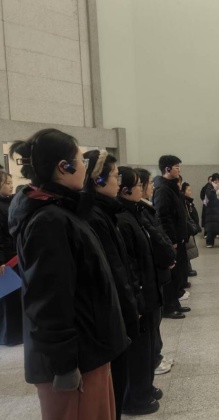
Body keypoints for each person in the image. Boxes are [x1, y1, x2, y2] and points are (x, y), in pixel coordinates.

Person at [8, 128, 129, 419]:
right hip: (75, 360)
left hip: (89, 349)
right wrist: (63, 365)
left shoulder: (62, 211)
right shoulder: (49, 221)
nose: (85, 169)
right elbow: (48, 301)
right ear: (65, 166)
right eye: (81, 161)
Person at [83, 150, 140, 420]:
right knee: (114, 383)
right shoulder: (95, 216)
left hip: (117, 308)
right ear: (98, 180)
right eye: (116, 176)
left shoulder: (105, 212)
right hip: (110, 313)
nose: (119, 181)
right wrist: (130, 309)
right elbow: (114, 271)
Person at [116, 167, 162, 416]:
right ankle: (136, 396)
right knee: (139, 350)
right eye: (142, 184)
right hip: (139, 293)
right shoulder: (123, 219)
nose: (148, 187)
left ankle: (146, 387)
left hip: (148, 289)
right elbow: (129, 264)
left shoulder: (136, 213)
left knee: (148, 346)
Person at [135, 168, 176, 377]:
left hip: (156, 272)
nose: (152, 186)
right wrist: (167, 254)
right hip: (148, 276)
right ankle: (153, 359)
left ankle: (156, 355)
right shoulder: (136, 213)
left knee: (155, 321)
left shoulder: (145, 208)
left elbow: (159, 233)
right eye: (148, 183)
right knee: (150, 323)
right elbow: (155, 237)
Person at [152, 156, 190, 319]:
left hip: (179, 238)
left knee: (178, 273)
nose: (179, 169)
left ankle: (175, 303)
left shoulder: (172, 187)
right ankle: (169, 306)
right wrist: (172, 240)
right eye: (176, 167)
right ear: (167, 169)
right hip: (172, 240)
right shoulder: (163, 189)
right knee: (172, 274)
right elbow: (163, 217)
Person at [0, 170, 21, 346]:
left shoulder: (12, 202)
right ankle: (9, 336)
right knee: (8, 297)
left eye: (11, 182)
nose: (11, 186)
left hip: (15, 253)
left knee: (17, 296)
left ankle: (17, 333)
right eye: (7, 183)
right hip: (5, 258)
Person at [182, 182, 199, 277]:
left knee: (187, 249)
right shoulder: (184, 202)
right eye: (188, 190)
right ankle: (187, 269)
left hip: (190, 228)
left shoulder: (188, 202)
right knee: (186, 249)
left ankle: (188, 268)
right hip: (187, 229)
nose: (190, 192)